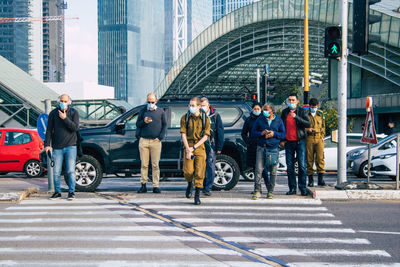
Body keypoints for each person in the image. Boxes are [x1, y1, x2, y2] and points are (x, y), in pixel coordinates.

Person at [44, 94, 79, 201]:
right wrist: (47, 145)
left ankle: (71, 192)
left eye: (65, 101)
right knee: (56, 172)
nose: (63, 103)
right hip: (57, 147)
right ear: (58, 101)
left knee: (70, 171)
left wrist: (65, 118)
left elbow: (75, 128)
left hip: (71, 146)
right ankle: (57, 192)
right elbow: (49, 130)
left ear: (69, 102)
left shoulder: (74, 112)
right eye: (61, 101)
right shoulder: (53, 113)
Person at [180, 97, 211, 205]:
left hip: (199, 147)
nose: (191, 107)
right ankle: (189, 184)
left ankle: (197, 195)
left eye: (193, 105)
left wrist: (194, 148)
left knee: (199, 171)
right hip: (188, 145)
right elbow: (183, 134)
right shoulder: (185, 117)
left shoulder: (204, 118)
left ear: (199, 106)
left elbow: (206, 136)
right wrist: (188, 148)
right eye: (190, 105)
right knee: (188, 171)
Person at [252, 103, 286, 199]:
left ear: (272, 110)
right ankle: (257, 190)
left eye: (266, 110)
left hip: (273, 148)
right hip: (261, 147)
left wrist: (274, 134)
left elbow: (283, 134)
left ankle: (270, 191)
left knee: (273, 171)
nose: (265, 112)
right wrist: (261, 133)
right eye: (264, 110)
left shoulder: (278, 120)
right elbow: (253, 132)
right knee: (258, 170)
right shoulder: (260, 120)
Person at [136, 93, 167, 194]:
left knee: (155, 165)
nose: (150, 104)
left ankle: (155, 185)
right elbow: (138, 124)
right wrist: (144, 121)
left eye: (152, 102)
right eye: (148, 102)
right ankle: (143, 185)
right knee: (144, 164)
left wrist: (160, 137)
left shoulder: (160, 111)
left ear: (156, 101)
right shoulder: (143, 110)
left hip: (155, 141)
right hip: (144, 140)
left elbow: (164, 125)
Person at [281, 93, 311, 196]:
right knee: (290, 167)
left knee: (302, 166)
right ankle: (292, 188)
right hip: (289, 142)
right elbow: (281, 126)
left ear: (297, 101)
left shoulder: (302, 111)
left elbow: (308, 123)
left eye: (293, 100)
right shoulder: (285, 112)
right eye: (289, 100)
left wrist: (296, 117)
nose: (291, 102)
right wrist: (282, 139)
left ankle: (302, 188)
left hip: (300, 141)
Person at [200, 97, 224, 196]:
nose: (202, 107)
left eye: (204, 106)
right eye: (200, 106)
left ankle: (208, 187)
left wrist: (219, 147)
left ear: (208, 105)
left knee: (210, 166)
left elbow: (220, 131)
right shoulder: (198, 115)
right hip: (200, 144)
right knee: (200, 166)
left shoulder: (215, 116)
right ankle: (201, 184)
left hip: (211, 144)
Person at [241, 102, 262, 192]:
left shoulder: (263, 119)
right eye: (255, 109)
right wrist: (248, 141)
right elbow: (244, 133)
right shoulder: (249, 120)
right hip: (252, 146)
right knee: (254, 168)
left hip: (262, 145)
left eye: (258, 109)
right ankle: (257, 187)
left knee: (262, 168)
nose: (256, 111)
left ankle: (268, 186)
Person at [306, 98, 326, 187]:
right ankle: (310, 180)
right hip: (309, 138)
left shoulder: (320, 114)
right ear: (309, 106)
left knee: (320, 158)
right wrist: (308, 130)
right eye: (312, 106)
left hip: (319, 138)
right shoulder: (306, 114)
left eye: (315, 107)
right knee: (309, 159)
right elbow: (302, 126)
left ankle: (320, 179)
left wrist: (322, 136)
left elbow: (323, 126)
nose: (313, 108)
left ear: (317, 106)